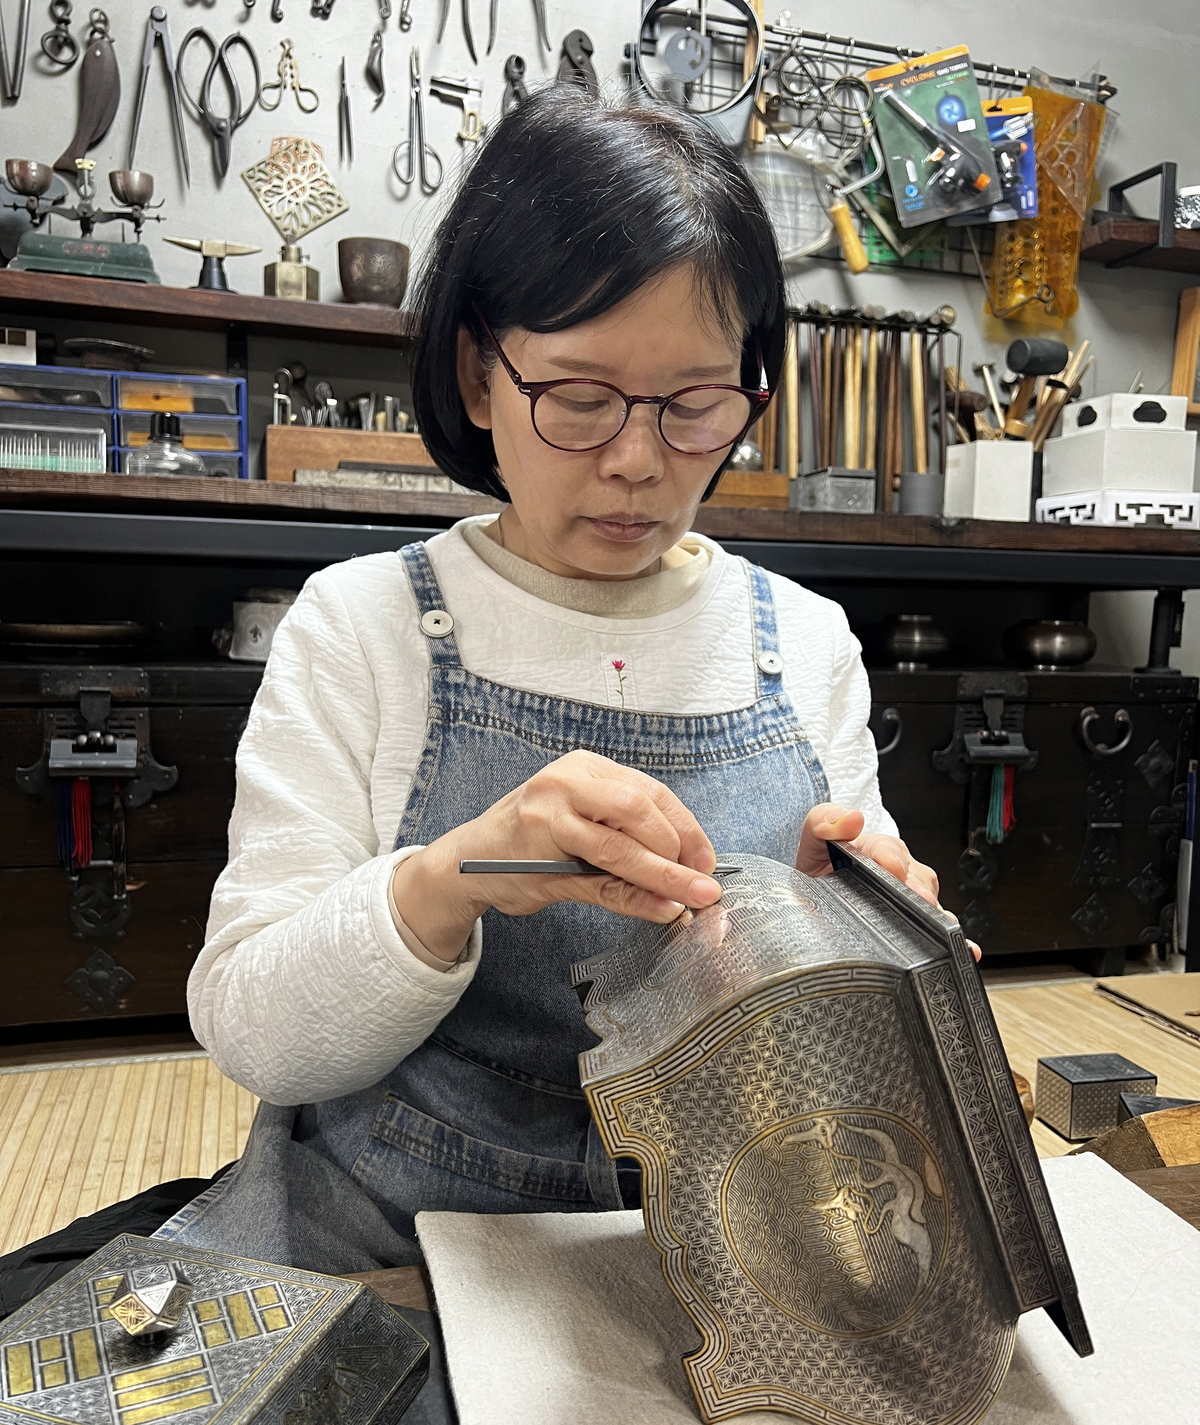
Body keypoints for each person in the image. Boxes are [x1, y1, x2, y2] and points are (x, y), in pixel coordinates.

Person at [161, 88, 940, 1273]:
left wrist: (883, 943)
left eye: (695, 407)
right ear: (480, 376)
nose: (637, 461)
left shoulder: (803, 639)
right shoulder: (364, 626)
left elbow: (857, 1028)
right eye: (579, 399)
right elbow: (256, 1034)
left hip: (725, 1247)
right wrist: (457, 877)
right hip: (395, 1230)